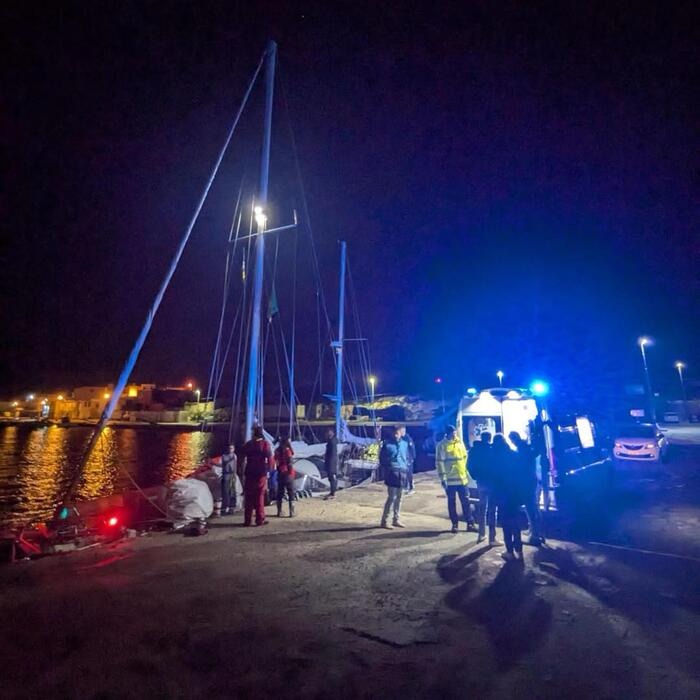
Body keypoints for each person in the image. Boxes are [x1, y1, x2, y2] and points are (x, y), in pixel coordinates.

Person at [492, 433, 526, 561]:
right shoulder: (513, 454)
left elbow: (494, 478)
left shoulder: (495, 458)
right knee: (515, 522)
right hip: (514, 494)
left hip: (502, 495)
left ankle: (509, 551)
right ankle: (519, 549)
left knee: (506, 524)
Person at [436, 425, 473, 534]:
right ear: (447, 433)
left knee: (466, 502)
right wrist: (443, 478)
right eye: (453, 432)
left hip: (462, 479)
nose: (455, 434)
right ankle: (455, 524)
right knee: (452, 503)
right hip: (450, 480)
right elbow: (440, 463)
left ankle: (470, 523)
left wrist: (467, 473)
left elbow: (465, 458)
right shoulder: (442, 446)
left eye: (455, 432)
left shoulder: (460, 443)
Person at [509, 431, 543, 545]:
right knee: (533, 507)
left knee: (530, 508)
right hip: (532, 480)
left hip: (527, 482)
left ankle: (535, 535)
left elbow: (521, 466)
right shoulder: (526, 447)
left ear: (513, 439)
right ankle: (535, 531)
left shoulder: (521, 449)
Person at [468, 431, 501, 545]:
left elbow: (469, 465)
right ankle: (492, 538)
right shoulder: (492, 450)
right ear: (490, 438)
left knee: (482, 509)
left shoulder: (474, 450)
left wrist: (475, 476)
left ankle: (481, 534)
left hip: (481, 482)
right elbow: (497, 466)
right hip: (492, 483)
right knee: (492, 511)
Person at [241, 426, 273, 526]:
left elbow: (241, 458)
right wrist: (269, 470)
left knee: (249, 497)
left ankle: (247, 520)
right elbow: (270, 459)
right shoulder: (265, 445)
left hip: (249, 472)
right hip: (260, 473)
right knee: (259, 497)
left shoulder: (248, 444)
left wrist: (240, 471)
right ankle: (260, 519)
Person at [379, 427, 409, 528]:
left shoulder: (405, 444)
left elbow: (407, 456)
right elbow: (382, 459)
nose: (396, 435)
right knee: (392, 497)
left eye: (398, 433)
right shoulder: (387, 444)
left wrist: (406, 467)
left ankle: (396, 519)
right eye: (395, 433)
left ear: (401, 434)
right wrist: (387, 469)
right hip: (392, 472)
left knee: (400, 497)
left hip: (402, 471)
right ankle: (384, 521)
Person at [274, 436, 296, 517]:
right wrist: (290, 473)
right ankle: (292, 512)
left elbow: (275, 461)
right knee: (291, 493)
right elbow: (290, 462)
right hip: (288, 474)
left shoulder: (277, 450)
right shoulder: (287, 450)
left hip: (280, 473)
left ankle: (279, 511)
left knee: (280, 493)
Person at [398, 425, 417, 495]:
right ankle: (405, 487)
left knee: (409, 474)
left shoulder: (408, 438)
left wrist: (412, 458)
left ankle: (411, 488)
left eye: (401, 431)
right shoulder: (400, 439)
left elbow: (412, 449)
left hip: (408, 459)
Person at [221, 444, 238, 515]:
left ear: (233, 449)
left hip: (232, 475)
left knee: (232, 491)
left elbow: (235, 466)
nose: (230, 450)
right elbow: (224, 463)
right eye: (229, 448)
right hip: (226, 475)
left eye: (231, 448)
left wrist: (235, 475)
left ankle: (232, 507)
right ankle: (225, 507)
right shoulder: (224, 456)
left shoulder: (235, 456)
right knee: (225, 492)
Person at [323, 427, 339, 500]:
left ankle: (333, 493)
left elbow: (331, 453)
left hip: (331, 462)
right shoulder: (332, 440)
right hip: (331, 462)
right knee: (331, 478)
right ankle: (332, 492)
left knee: (332, 478)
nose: (327, 434)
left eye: (329, 432)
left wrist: (328, 461)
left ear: (332, 433)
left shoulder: (332, 441)